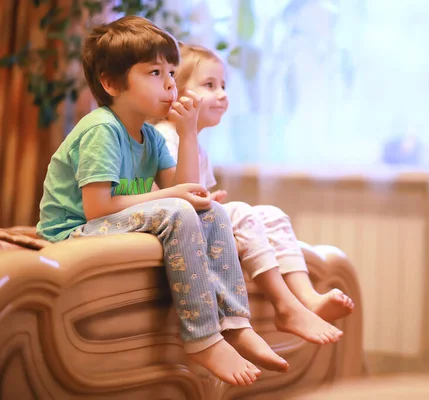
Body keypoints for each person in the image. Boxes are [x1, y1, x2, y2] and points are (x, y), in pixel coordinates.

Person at [36, 16, 288, 386]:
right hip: (72, 230)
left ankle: (234, 323)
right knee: (177, 209)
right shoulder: (102, 128)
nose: (170, 84)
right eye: (155, 73)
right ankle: (202, 337)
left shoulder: (151, 138)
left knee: (211, 209)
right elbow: (97, 208)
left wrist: (187, 133)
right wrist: (169, 195)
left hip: (105, 221)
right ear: (110, 83)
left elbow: (191, 193)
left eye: (172, 72)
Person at [153, 43, 355, 347]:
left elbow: (201, 193)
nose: (222, 94)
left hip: (202, 218)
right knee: (243, 212)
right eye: (210, 85)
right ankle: (285, 307)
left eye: (223, 85)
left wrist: (212, 199)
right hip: (179, 225)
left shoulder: (198, 146)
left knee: (272, 215)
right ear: (176, 94)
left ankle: (308, 297)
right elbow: (180, 196)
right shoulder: (164, 136)